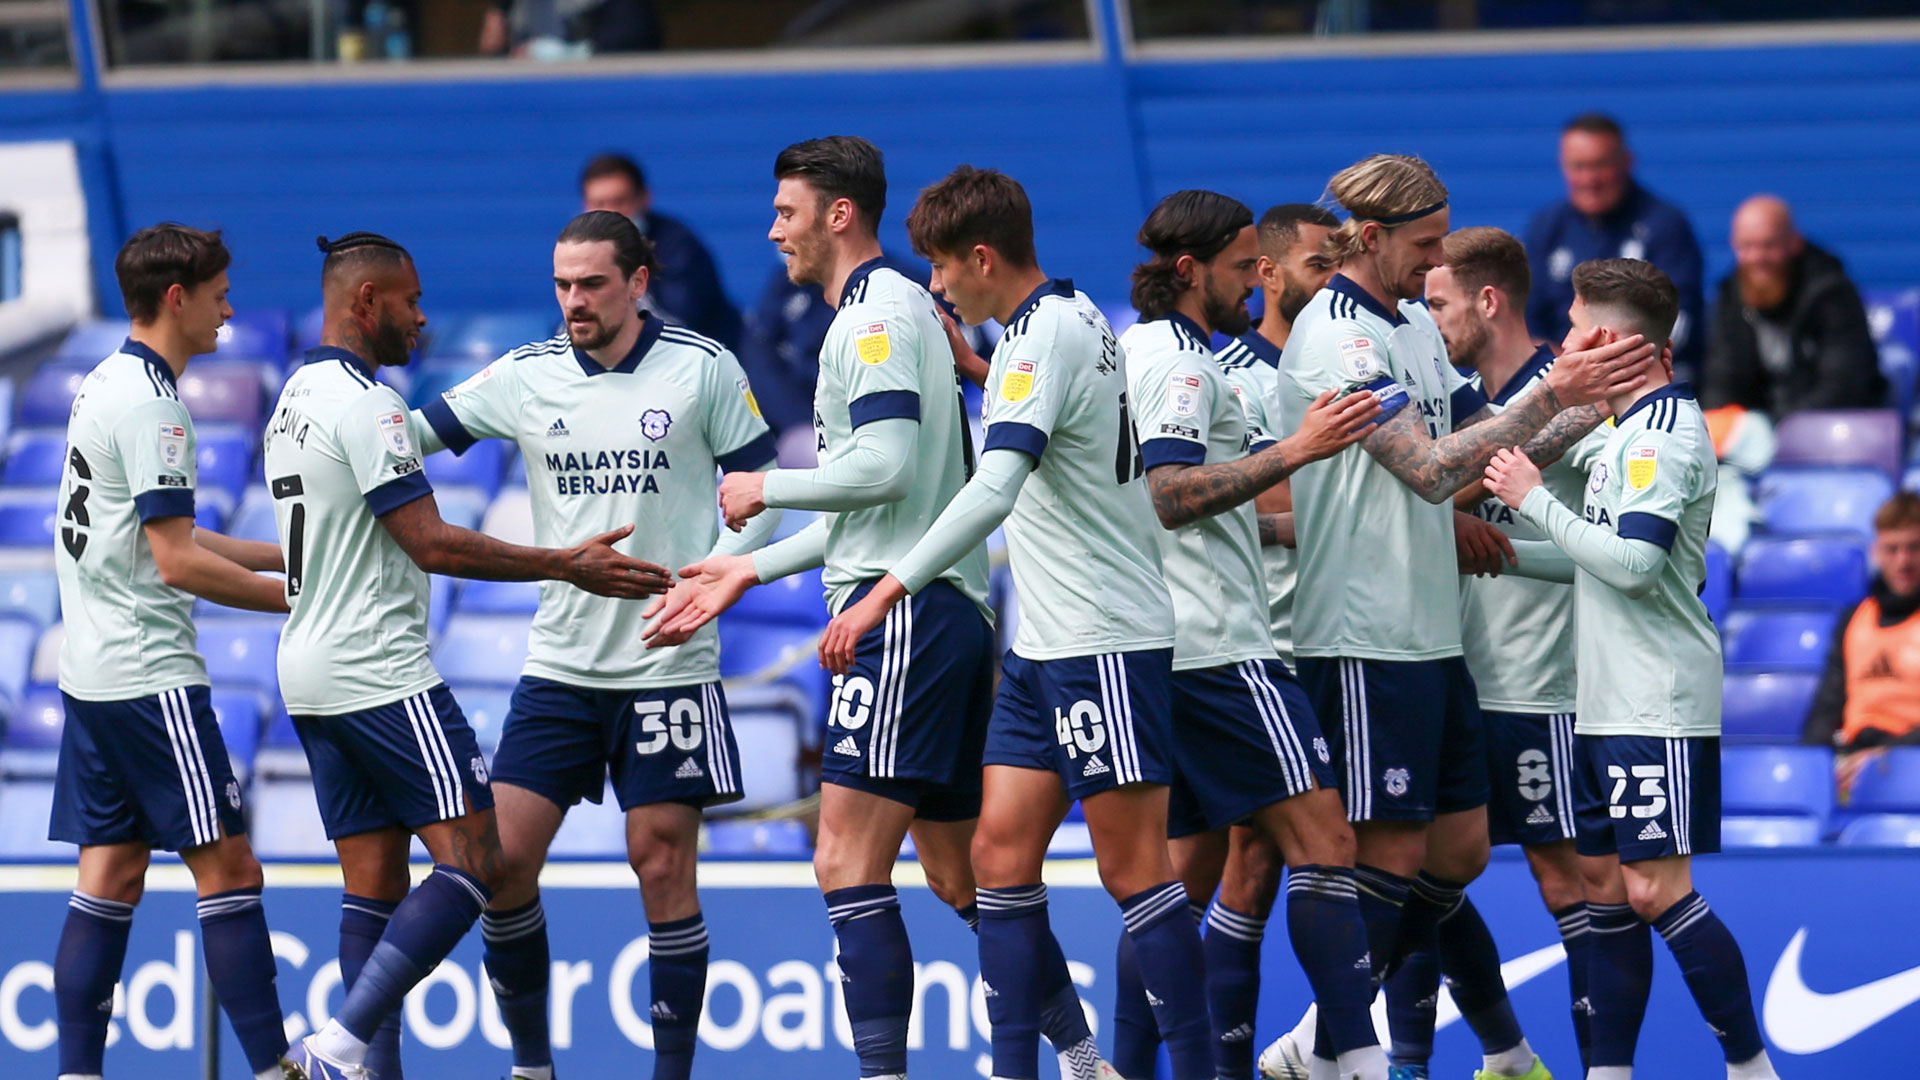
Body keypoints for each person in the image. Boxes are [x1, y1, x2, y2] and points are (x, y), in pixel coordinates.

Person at [646, 144, 1114, 1080]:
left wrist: (766, 487)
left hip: (899, 618)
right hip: (926, 609)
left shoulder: (872, 319)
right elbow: (883, 508)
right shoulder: (888, 312)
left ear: (838, 216)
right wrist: (744, 569)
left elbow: (885, 470)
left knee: (843, 861)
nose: (773, 230)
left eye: (787, 210)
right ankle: (1083, 1056)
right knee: (959, 875)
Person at [803, 162, 1209, 1080]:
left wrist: (880, 591)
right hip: (1039, 645)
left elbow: (996, 485)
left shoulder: (1042, 338)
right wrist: (982, 368)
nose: (936, 287)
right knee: (995, 855)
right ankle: (1038, 1066)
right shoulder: (1058, 323)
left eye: (943, 269)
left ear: (981, 257)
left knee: (1134, 870)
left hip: (1099, 634)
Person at [1273, 153, 1654, 1080]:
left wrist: (1592, 397)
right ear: (1371, 238)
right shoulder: (1339, 337)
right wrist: (1556, 392)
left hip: (1429, 631)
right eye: (1425, 242)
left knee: (1461, 851)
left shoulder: (1403, 327)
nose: (1435, 259)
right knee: (1392, 851)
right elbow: (1430, 470)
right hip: (1363, 629)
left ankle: (1319, 1045)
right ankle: (1328, 1050)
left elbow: (1483, 455)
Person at [274, 232, 672, 1080]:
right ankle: (341, 1047)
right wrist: (565, 563)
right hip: (378, 671)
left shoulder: (292, 397)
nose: (422, 319)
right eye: (410, 301)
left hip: (305, 671)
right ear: (367, 302)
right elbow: (429, 543)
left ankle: (366, 1070)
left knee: (373, 883)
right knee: (481, 862)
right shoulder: (369, 404)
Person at [407, 211, 778, 1080]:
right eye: (562, 285)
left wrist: (717, 573)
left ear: (638, 282)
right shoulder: (525, 376)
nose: (573, 301)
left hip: (668, 664)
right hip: (562, 668)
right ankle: (533, 1068)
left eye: (592, 285)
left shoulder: (702, 366)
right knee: (500, 868)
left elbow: (764, 488)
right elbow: (406, 442)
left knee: (659, 862)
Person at [1484, 257, 1780, 1080]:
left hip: (1657, 698)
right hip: (1605, 699)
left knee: (1657, 892)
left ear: (1609, 338)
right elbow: (1594, 560)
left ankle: (1753, 1069)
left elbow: (1638, 567)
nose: (1566, 348)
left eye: (1576, 331)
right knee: (1602, 888)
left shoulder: (1663, 437)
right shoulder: (1623, 433)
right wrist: (1498, 552)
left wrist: (1530, 497)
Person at [1116, 190, 1386, 1080]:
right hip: (1221, 647)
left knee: (1178, 887)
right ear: (1191, 271)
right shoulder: (1187, 367)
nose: (1252, 281)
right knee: (1327, 843)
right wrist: (1296, 452)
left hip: (1170, 642)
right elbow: (1170, 492)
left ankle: (1128, 1065)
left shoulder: (1150, 349)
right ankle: (1355, 1061)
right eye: (1241, 265)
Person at [49, 224, 302, 1080]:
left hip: (94, 672)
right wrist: (296, 600)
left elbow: (167, 531)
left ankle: (76, 1074)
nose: (231, 309)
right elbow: (176, 560)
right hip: (149, 675)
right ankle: (276, 1069)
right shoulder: (156, 403)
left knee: (112, 874)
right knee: (231, 868)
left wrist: (286, 555)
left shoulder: (104, 381)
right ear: (177, 299)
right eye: (221, 293)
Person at [1384, 226, 1613, 1076]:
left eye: (1439, 304)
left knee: (1570, 887)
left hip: (1538, 685)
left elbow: (1619, 550)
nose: (1430, 320)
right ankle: (1475, 1059)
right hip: (1460, 675)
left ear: (1488, 301)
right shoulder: (1463, 409)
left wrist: (1494, 540)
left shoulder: (1575, 401)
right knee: (1418, 872)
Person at [1525, 114, 1704, 377]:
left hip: (1645, 375)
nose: (1589, 179)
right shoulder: (1547, 228)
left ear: (1627, 162)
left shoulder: (1665, 226)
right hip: (1561, 374)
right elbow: (1526, 322)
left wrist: (1607, 363)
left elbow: (1680, 322)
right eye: (1578, 166)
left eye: (1600, 165)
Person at [1701, 194, 1883, 419]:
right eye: (1747, 246)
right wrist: (1723, 423)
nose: (1758, 258)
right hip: (1753, 437)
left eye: (1769, 245)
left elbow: (1843, 384)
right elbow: (1720, 377)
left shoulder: (1830, 293)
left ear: (1794, 243)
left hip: (1825, 431)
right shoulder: (1731, 296)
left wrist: (1777, 427)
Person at [736, 252, 929, 437]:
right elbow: (759, 349)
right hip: (805, 427)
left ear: (838, 219)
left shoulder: (897, 288)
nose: (776, 232)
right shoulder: (786, 285)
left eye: (789, 217)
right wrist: (802, 429)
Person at [1804, 492, 1920, 793]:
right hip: (1854, 761)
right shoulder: (1854, 619)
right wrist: (1814, 766)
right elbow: (1827, 707)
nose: (1903, 561)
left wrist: (1891, 756)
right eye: (1892, 549)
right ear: (1877, 552)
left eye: (1914, 548)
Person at [580, 153, 741, 347]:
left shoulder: (678, 245)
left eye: (620, 201)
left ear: (644, 198)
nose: (610, 213)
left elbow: (679, 323)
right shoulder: (579, 251)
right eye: (599, 204)